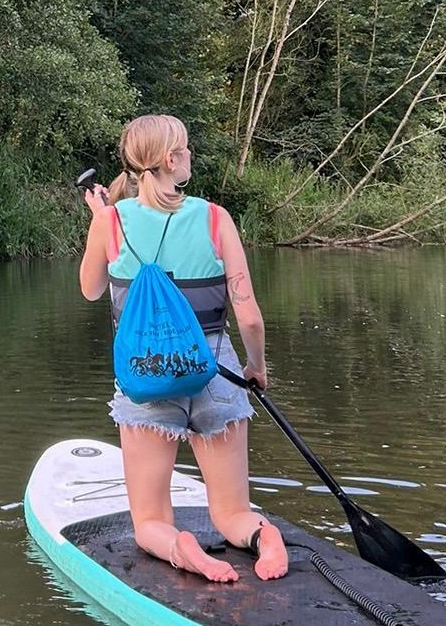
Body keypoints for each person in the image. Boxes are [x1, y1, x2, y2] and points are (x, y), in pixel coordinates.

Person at [77, 114, 289, 582]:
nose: (190, 155)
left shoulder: (110, 220)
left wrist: (100, 222)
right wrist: (255, 368)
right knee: (233, 513)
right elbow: (249, 314)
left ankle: (180, 547)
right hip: (216, 370)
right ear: (172, 159)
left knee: (150, 522)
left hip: (146, 376)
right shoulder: (215, 218)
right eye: (187, 148)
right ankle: (262, 537)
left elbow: (91, 289)